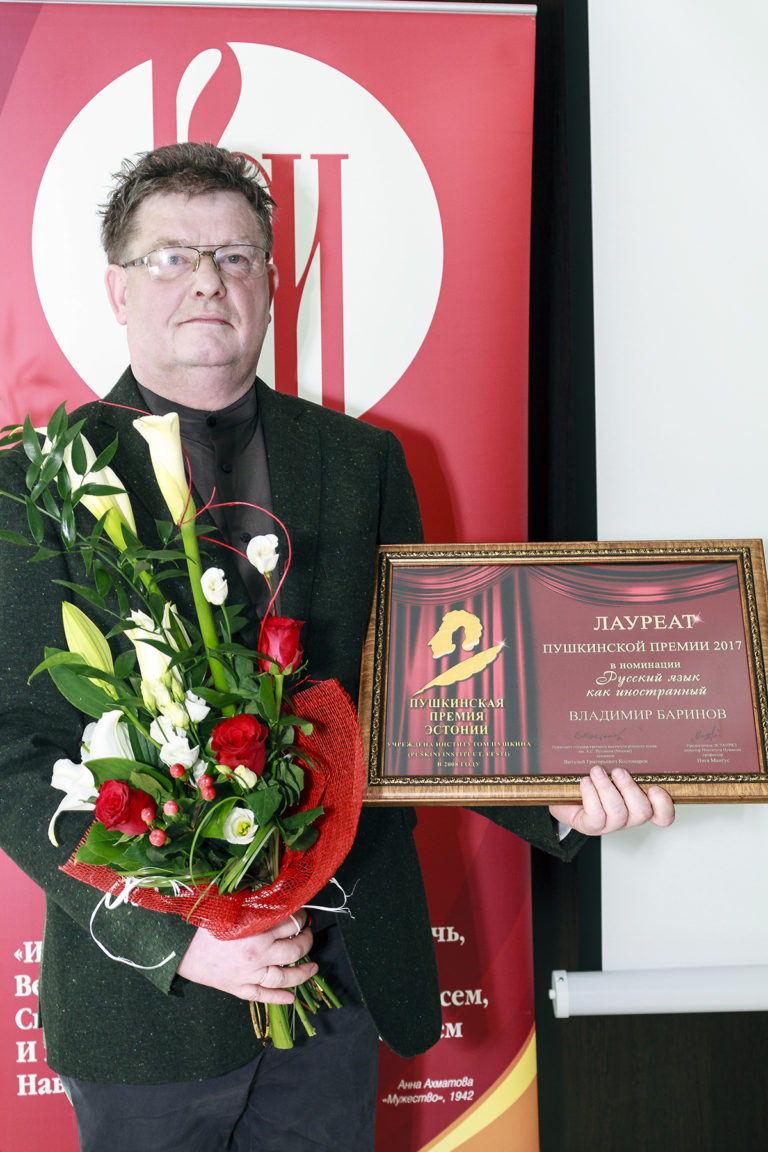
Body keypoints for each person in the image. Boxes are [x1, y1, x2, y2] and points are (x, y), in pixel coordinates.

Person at [0, 143, 674, 1151]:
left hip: (336, 978)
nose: (207, 282)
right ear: (116, 288)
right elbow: (13, 749)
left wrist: (559, 794)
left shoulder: (361, 461)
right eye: (172, 257)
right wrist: (180, 940)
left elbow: (423, 690)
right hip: (147, 1008)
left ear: (273, 283)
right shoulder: (37, 482)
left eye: (235, 257)